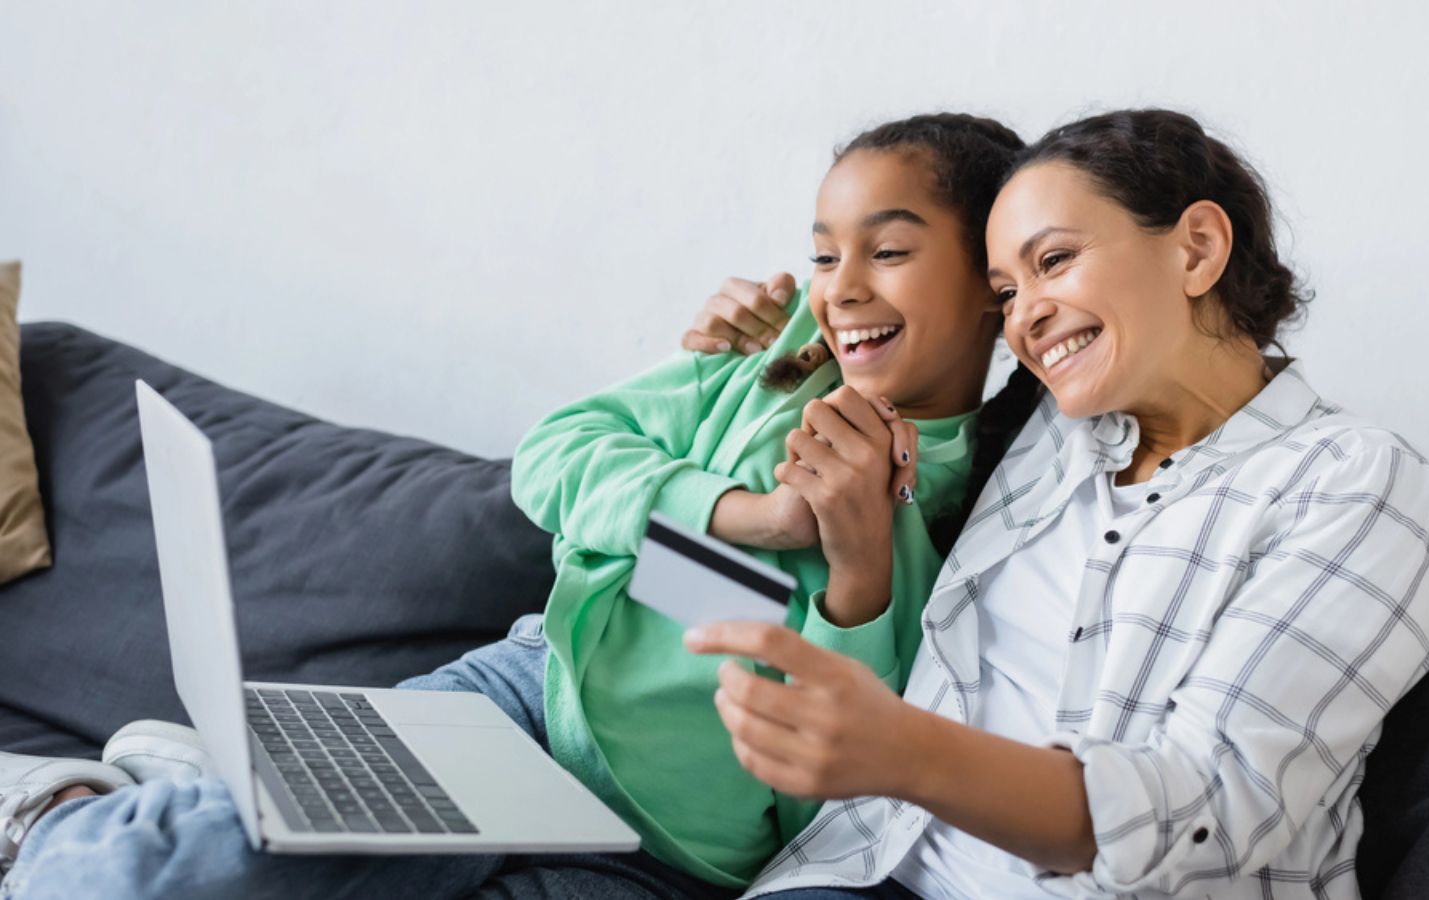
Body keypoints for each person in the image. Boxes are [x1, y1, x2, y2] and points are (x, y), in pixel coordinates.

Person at [0, 114, 1031, 900]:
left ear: (992, 284)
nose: (839, 286)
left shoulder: (987, 509)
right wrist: (739, 518)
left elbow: (835, 784)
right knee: (127, 881)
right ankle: (64, 806)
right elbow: (557, 459)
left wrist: (855, 582)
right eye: (822, 251)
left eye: (887, 252)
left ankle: (172, 780)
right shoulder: (755, 374)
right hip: (528, 705)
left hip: (670, 848)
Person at [682, 109, 1429, 900]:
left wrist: (907, 751)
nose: (1023, 316)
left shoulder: (1350, 481)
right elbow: (624, 516)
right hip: (857, 864)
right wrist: (755, 355)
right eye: (1006, 291)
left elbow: (1213, 809)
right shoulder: (1045, 424)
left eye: (1054, 260)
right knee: (544, 643)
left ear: (1197, 248)